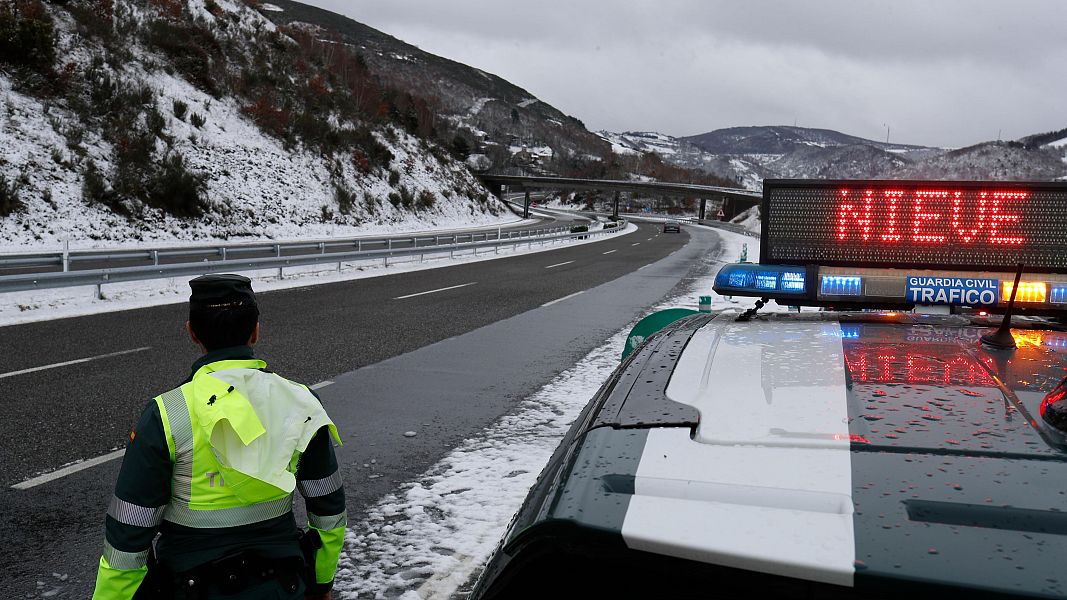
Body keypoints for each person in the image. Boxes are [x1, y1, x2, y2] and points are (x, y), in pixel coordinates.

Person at [92, 274, 346, 600]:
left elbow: (128, 537)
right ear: (256, 330)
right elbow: (329, 512)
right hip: (284, 584)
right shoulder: (301, 402)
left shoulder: (167, 414)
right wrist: (322, 583)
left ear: (192, 332)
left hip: (190, 586)